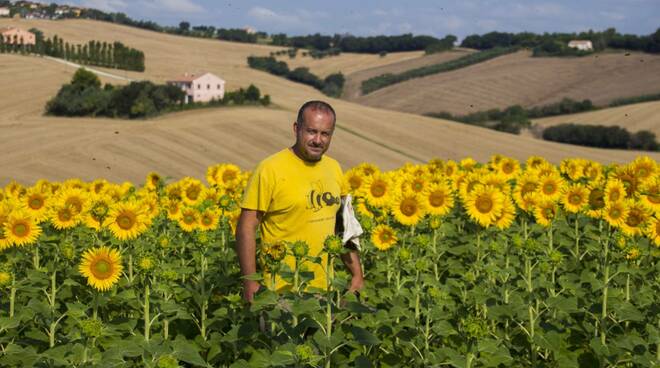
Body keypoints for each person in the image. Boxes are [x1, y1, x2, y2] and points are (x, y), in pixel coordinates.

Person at [235, 100, 364, 302]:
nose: (318, 140)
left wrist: (356, 273)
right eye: (312, 131)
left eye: (325, 134)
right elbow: (246, 226)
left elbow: (343, 226)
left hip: (325, 290)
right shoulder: (271, 169)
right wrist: (250, 282)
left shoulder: (334, 169)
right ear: (296, 129)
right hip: (280, 290)